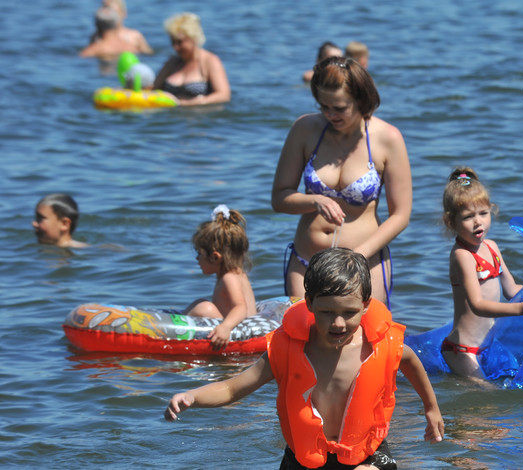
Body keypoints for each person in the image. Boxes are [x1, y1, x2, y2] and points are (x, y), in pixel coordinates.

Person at [165, 248, 444, 469]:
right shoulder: (288, 350)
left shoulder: (379, 347)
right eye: (325, 312)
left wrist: (431, 408)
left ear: (366, 306)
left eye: (349, 313)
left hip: (367, 455)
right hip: (304, 457)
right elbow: (233, 387)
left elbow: (408, 361)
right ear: (308, 304)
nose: (338, 323)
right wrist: (193, 396)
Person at [272, 56, 412, 307]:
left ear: (361, 100)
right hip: (307, 261)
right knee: (302, 336)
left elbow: (400, 215)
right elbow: (279, 198)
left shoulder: (387, 138)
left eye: (339, 108)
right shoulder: (304, 129)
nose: (330, 114)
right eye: (323, 106)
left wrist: (356, 257)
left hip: (364, 261)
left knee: (367, 340)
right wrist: (314, 200)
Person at [440, 167, 523, 378]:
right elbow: (477, 305)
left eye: (483, 213)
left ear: (492, 211)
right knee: (486, 397)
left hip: (487, 347)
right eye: (468, 216)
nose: (478, 221)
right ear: (451, 222)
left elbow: (511, 289)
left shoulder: (492, 247)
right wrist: (520, 309)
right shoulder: (462, 256)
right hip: (462, 350)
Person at [182, 205, 256, 349]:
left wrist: (225, 327)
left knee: (204, 307)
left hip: (236, 332)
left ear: (215, 257)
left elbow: (240, 307)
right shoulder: (236, 273)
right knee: (201, 302)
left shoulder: (229, 277)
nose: (197, 259)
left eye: (200, 254)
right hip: (237, 323)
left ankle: (170, 327)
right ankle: (176, 318)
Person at [153, 12, 230, 106]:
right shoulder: (172, 62)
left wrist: (190, 103)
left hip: (198, 115)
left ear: (193, 38)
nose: (175, 47)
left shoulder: (210, 61)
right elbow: (154, 90)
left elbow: (223, 95)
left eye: (179, 42)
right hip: (172, 115)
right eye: (173, 42)